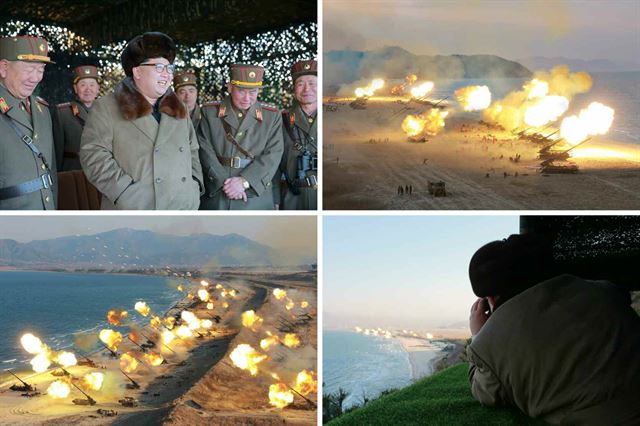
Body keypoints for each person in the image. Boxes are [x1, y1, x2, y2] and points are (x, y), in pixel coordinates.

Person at [467, 234, 640, 425]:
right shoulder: (606, 291)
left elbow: (487, 392)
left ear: (490, 299)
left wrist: (478, 335)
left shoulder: (490, 343)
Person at [80, 32, 203, 210]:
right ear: (137, 71)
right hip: (134, 212)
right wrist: (125, 192)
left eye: (170, 68)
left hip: (182, 208)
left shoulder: (179, 108)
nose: (167, 75)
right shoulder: (106, 107)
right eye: (159, 67)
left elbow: (192, 150)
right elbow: (93, 155)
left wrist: (194, 185)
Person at [198, 63, 283, 210]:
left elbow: (273, 154)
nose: (247, 98)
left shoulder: (271, 116)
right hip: (218, 191)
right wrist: (226, 184)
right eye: (241, 91)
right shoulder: (210, 112)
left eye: (253, 92)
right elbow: (204, 150)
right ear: (230, 87)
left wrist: (245, 181)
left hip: (255, 193)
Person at [0, 35, 57, 210]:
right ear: (3, 68)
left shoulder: (42, 110)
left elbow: (51, 171)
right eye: (29, 69)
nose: (36, 77)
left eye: (41, 69)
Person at [279, 59, 317, 210]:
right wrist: (275, 198)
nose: (307, 89)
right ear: (294, 89)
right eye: (300, 84)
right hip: (291, 197)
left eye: (312, 83)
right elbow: (274, 164)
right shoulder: (281, 120)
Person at [52, 65, 100, 172]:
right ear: (75, 88)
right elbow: (56, 153)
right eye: (83, 85)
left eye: (92, 85)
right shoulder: (62, 113)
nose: (88, 89)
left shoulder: (107, 113)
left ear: (98, 89)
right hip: (73, 174)